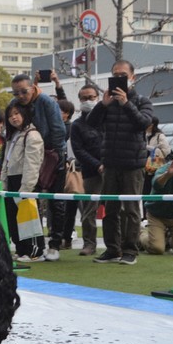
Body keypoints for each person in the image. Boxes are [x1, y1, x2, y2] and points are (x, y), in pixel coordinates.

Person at [87, 59, 154, 265]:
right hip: (110, 162)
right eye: (115, 75)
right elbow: (90, 123)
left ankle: (130, 250)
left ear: (132, 77)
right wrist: (102, 104)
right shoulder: (107, 102)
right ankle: (112, 249)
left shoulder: (142, 100)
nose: (118, 78)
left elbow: (143, 123)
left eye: (123, 75)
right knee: (110, 209)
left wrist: (126, 103)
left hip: (133, 164)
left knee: (131, 210)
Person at [9, 73, 67, 262]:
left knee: (56, 201)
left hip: (51, 155)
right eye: (16, 93)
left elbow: (59, 130)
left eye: (23, 91)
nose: (20, 96)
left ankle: (55, 244)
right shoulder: (14, 104)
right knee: (30, 202)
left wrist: (57, 157)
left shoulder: (47, 102)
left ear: (33, 88)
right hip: (27, 159)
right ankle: (34, 246)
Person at [1, 103, 46, 262]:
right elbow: (6, 162)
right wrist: (3, 183)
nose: (13, 118)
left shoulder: (32, 135)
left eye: (16, 113)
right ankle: (21, 250)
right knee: (14, 217)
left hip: (25, 181)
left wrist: (26, 188)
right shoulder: (13, 135)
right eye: (10, 115)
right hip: (12, 179)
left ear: (24, 114)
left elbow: (32, 164)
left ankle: (35, 251)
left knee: (29, 217)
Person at [70, 85, 103, 256]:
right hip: (90, 171)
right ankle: (89, 243)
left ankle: (117, 244)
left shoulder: (107, 118)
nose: (88, 100)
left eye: (91, 97)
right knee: (89, 210)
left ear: (98, 97)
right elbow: (78, 150)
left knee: (116, 208)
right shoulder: (77, 125)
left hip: (112, 170)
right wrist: (97, 165)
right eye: (84, 98)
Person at [57, 99, 78, 250]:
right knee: (56, 205)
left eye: (62, 111)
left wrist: (67, 160)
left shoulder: (71, 128)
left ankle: (67, 236)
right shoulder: (54, 126)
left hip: (71, 170)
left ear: (68, 114)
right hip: (57, 170)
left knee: (70, 205)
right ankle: (58, 235)